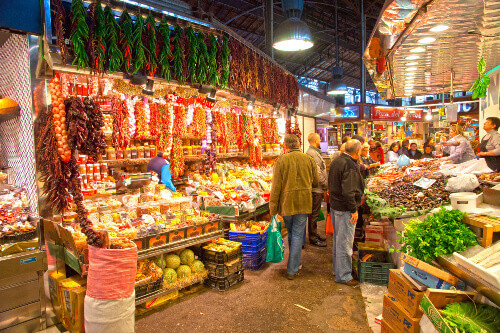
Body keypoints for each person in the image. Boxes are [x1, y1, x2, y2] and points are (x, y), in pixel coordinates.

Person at [270, 134, 318, 280]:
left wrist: (273, 209)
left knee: (292, 233)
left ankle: (293, 266)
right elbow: (316, 182)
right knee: (296, 234)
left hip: (287, 204)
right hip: (303, 203)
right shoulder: (309, 160)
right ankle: (293, 267)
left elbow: (276, 187)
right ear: (298, 144)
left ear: (285, 146)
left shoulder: (281, 161)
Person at [328, 139, 364, 286]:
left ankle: (338, 270)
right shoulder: (349, 164)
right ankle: (344, 276)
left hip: (336, 205)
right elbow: (348, 191)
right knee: (345, 243)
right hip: (344, 208)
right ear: (357, 151)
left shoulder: (337, 160)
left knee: (339, 241)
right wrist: (353, 209)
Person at [306, 133, 327, 247]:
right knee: (314, 214)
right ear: (315, 141)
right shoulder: (312, 153)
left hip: (317, 188)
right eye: (319, 139)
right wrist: (325, 183)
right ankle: (313, 238)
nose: (320, 141)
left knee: (315, 213)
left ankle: (314, 234)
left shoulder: (313, 152)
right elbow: (317, 172)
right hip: (316, 189)